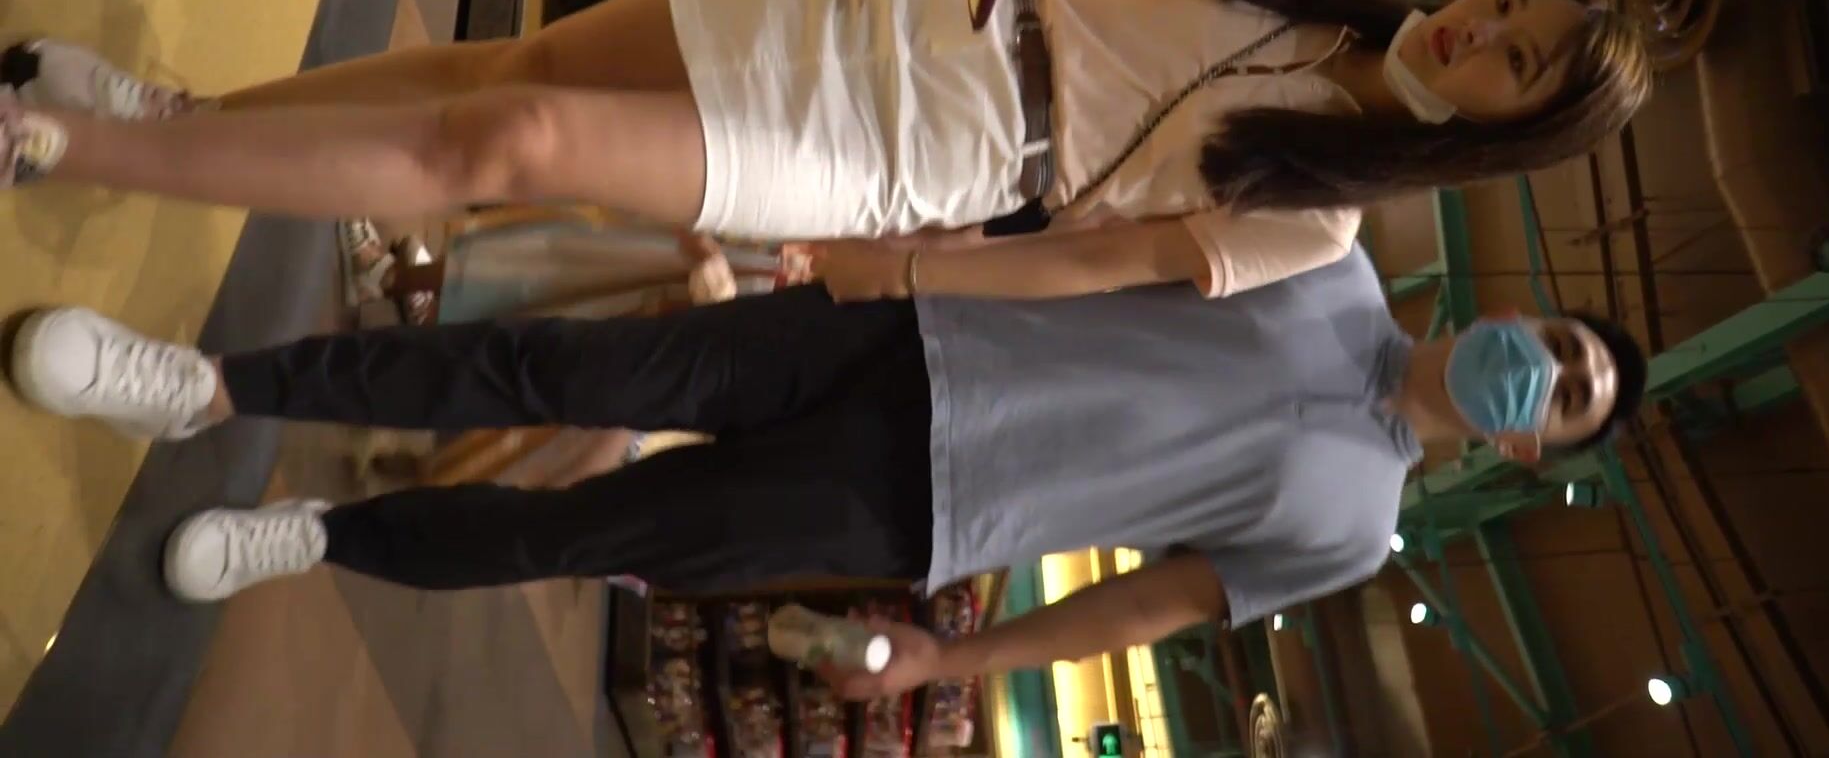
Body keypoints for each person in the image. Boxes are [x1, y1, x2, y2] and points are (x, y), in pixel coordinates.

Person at [0, 0, 1651, 302]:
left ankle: (62, 145)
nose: (1478, 24)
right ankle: (169, 115)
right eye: (1509, 0)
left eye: (1514, 60)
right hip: (914, 4)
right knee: (507, 59)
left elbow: (1096, 266)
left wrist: (889, 268)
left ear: (1504, 130)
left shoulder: (1320, 222)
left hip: (927, 155)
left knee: (511, 142)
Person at [4, 246, 1645, 698]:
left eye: (1563, 402)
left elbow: (1149, 607)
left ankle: (320, 533)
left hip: (917, 510)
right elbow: (1102, 239)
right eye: (1561, 345)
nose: (1546, 372)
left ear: (1522, 444)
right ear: (1520, 311)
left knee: (570, 534)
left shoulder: (1357, 528)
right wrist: (892, 257)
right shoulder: (1325, 262)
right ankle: (211, 388)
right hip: (895, 343)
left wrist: (952, 658)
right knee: (560, 367)